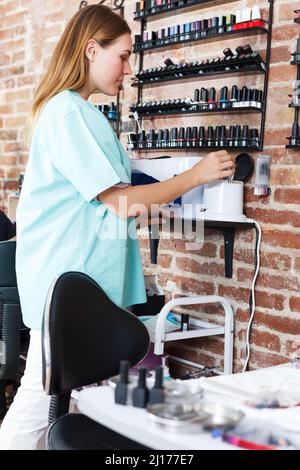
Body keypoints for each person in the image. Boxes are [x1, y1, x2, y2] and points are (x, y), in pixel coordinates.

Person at [0, 4, 235, 449]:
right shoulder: (68, 113)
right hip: (68, 288)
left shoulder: (85, 115)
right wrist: (196, 175)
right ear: (92, 50)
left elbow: (102, 203)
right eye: (123, 56)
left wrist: (162, 203)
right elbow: (120, 202)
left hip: (82, 287)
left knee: (68, 404)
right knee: (36, 406)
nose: (128, 69)